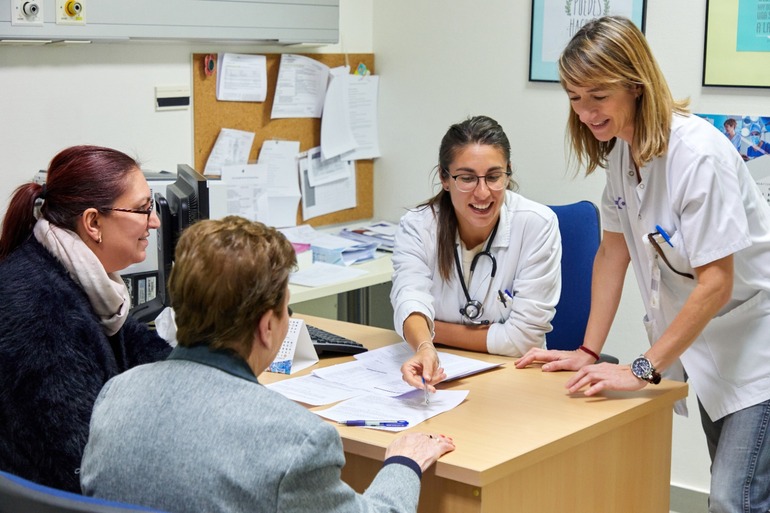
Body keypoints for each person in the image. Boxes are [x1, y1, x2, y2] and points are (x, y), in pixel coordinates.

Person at [515, 16, 770, 512]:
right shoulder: (622, 154)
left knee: (732, 499)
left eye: (597, 95)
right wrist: (590, 350)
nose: (585, 112)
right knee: (742, 494)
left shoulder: (697, 156)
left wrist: (641, 368)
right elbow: (614, 252)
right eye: (573, 97)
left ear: (635, 84)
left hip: (756, 345)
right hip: (709, 343)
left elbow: (717, 283)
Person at [80, 216, 455, 513]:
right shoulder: (296, 440)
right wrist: (403, 464)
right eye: (286, 309)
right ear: (267, 326)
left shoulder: (116, 394)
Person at [0, 145, 172, 492]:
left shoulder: (80, 279)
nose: (154, 221)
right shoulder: (42, 313)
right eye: (143, 209)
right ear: (93, 223)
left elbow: (139, 347)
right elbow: (83, 465)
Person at [391, 115, 562, 392]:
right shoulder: (419, 226)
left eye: (494, 177)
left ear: (508, 173)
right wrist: (424, 346)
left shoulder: (536, 224)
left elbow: (523, 340)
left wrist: (430, 332)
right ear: (444, 178)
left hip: (515, 381)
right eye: (467, 178)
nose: (483, 193)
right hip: (438, 377)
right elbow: (409, 299)